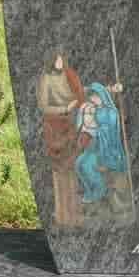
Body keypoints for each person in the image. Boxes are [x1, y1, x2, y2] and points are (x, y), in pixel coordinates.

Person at [37, 50, 85, 226]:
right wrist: (65, 108)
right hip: (54, 130)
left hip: (68, 128)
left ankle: (75, 213)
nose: (60, 62)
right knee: (59, 173)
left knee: (72, 171)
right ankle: (62, 214)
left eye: (61, 59)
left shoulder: (68, 75)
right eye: (57, 60)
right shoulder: (46, 79)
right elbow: (44, 105)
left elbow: (79, 93)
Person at [75, 82, 132, 218]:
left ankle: (99, 190)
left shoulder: (111, 111)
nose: (93, 100)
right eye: (92, 97)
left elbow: (110, 130)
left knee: (87, 164)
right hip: (96, 143)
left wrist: (97, 132)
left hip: (108, 146)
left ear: (101, 96)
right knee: (79, 163)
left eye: (95, 97)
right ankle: (90, 190)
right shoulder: (95, 108)